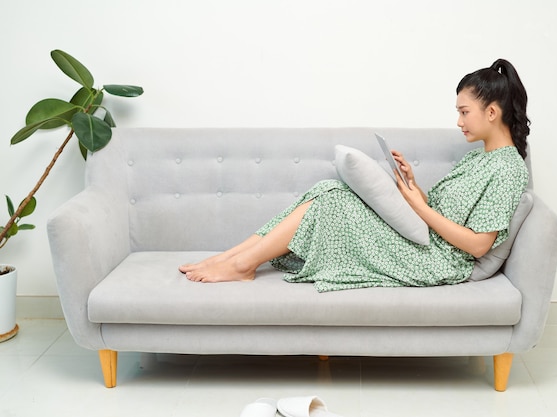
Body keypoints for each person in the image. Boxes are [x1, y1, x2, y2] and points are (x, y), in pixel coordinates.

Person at [179, 59, 530, 292]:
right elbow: (437, 207)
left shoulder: (507, 167)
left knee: (333, 201)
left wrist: (416, 206)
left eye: (464, 112)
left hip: (436, 260)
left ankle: (242, 264)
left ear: (492, 112)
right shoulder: (477, 159)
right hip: (425, 240)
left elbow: (478, 244)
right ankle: (233, 257)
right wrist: (413, 186)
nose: (459, 121)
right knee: (329, 188)